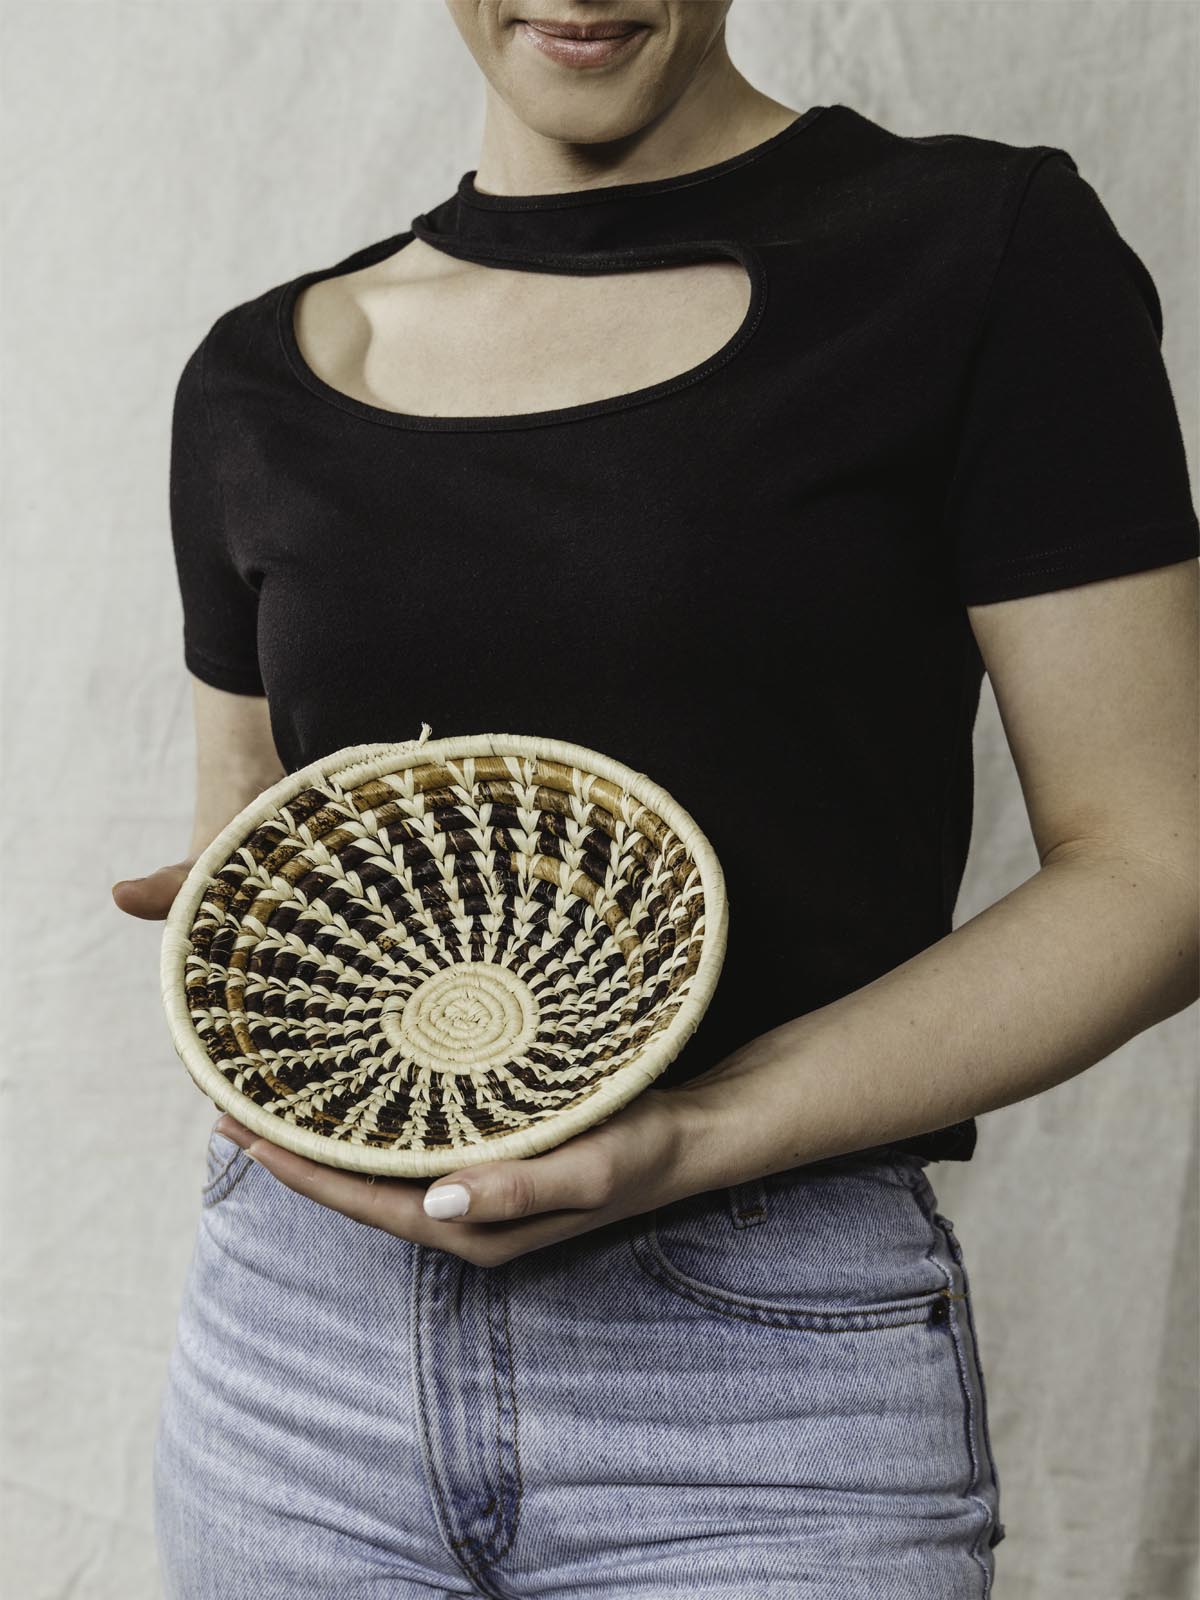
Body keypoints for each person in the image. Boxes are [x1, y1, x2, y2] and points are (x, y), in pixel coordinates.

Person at [113, 3, 1199, 1595]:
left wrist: (699, 1130)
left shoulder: (978, 255)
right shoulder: (254, 371)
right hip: (294, 1366)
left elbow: (1161, 866)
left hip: (759, 1393)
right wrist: (243, 945)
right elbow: (260, 839)